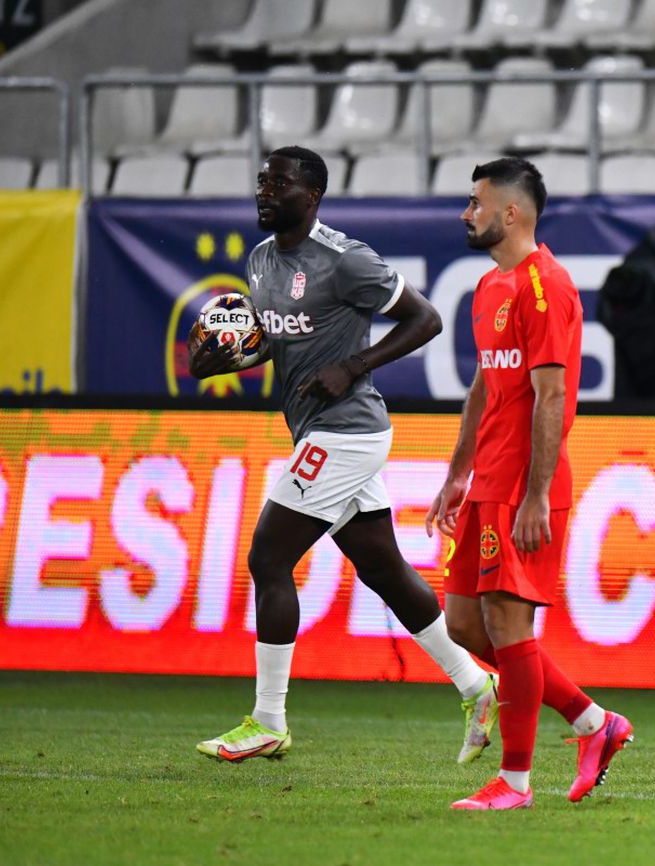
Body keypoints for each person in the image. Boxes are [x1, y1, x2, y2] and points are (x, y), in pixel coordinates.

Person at [190, 146, 498, 766]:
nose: (265, 191)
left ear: (313, 195)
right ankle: (475, 683)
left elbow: (427, 319)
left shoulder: (345, 259)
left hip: (347, 431)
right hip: (316, 431)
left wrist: (354, 365)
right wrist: (232, 358)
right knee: (383, 569)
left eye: (279, 183)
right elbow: (278, 342)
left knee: (268, 556)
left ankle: (268, 720)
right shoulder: (259, 260)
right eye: (262, 181)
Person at [426, 157, 633, 811]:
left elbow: (551, 397)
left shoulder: (546, 286)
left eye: (477, 203)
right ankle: (594, 724)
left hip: (524, 485)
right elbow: (486, 387)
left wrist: (537, 493)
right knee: (464, 624)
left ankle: (514, 784)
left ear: (510, 213)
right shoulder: (490, 289)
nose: (468, 214)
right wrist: (458, 474)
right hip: (487, 480)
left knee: (509, 627)